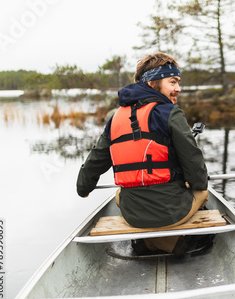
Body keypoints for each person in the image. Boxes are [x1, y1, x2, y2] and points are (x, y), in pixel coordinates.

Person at [76, 52, 209, 255]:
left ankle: (150, 242)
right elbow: (194, 163)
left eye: (178, 83)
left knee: (119, 194)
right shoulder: (171, 113)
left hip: (133, 215)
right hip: (172, 212)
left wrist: (83, 188)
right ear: (153, 83)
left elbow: (95, 161)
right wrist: (196, 185)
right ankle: (173, 243)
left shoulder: (115, 119)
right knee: (202, 191)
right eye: (173, 82)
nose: (178, 89)